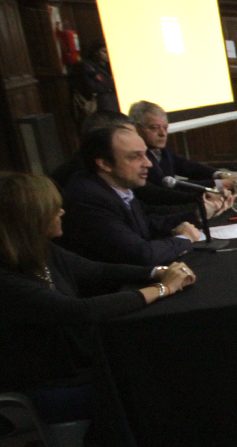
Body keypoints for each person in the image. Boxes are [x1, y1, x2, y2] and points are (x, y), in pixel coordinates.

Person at [0, 173, 196, 422]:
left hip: (78, 368)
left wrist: (159, 272)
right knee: (161, 381)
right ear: (28, 219)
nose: (61, 212)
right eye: (52, 208)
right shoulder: (5, 278)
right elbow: (78, 311)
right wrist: (163, 289)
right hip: (50, 385)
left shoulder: (41, 250)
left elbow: (97, 271)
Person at [60, 126, 205, 265]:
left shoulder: (118, 185)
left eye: (146, 154)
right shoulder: (89, 198)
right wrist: (184, 239)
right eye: (135, 157)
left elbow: (147, 224)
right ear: (104, 163)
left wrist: (198, 215)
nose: (148, 163)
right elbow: (142, 255)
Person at [128, 101, 237, 190]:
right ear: (136, 128)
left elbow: (187, 166)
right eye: (154, 128)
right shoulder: (138, 156)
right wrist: (221, 184)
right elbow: (166, 187)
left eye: (165, 127)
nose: (163, 134)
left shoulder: (160, 150)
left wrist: (222, 175)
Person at [71, 39, 119, 114]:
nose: (107, 54)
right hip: (98, 101)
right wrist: (109, 84)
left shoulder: (109, 67)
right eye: (104, 51)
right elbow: (91, 87)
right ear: (96, 52)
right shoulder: (87, 67)